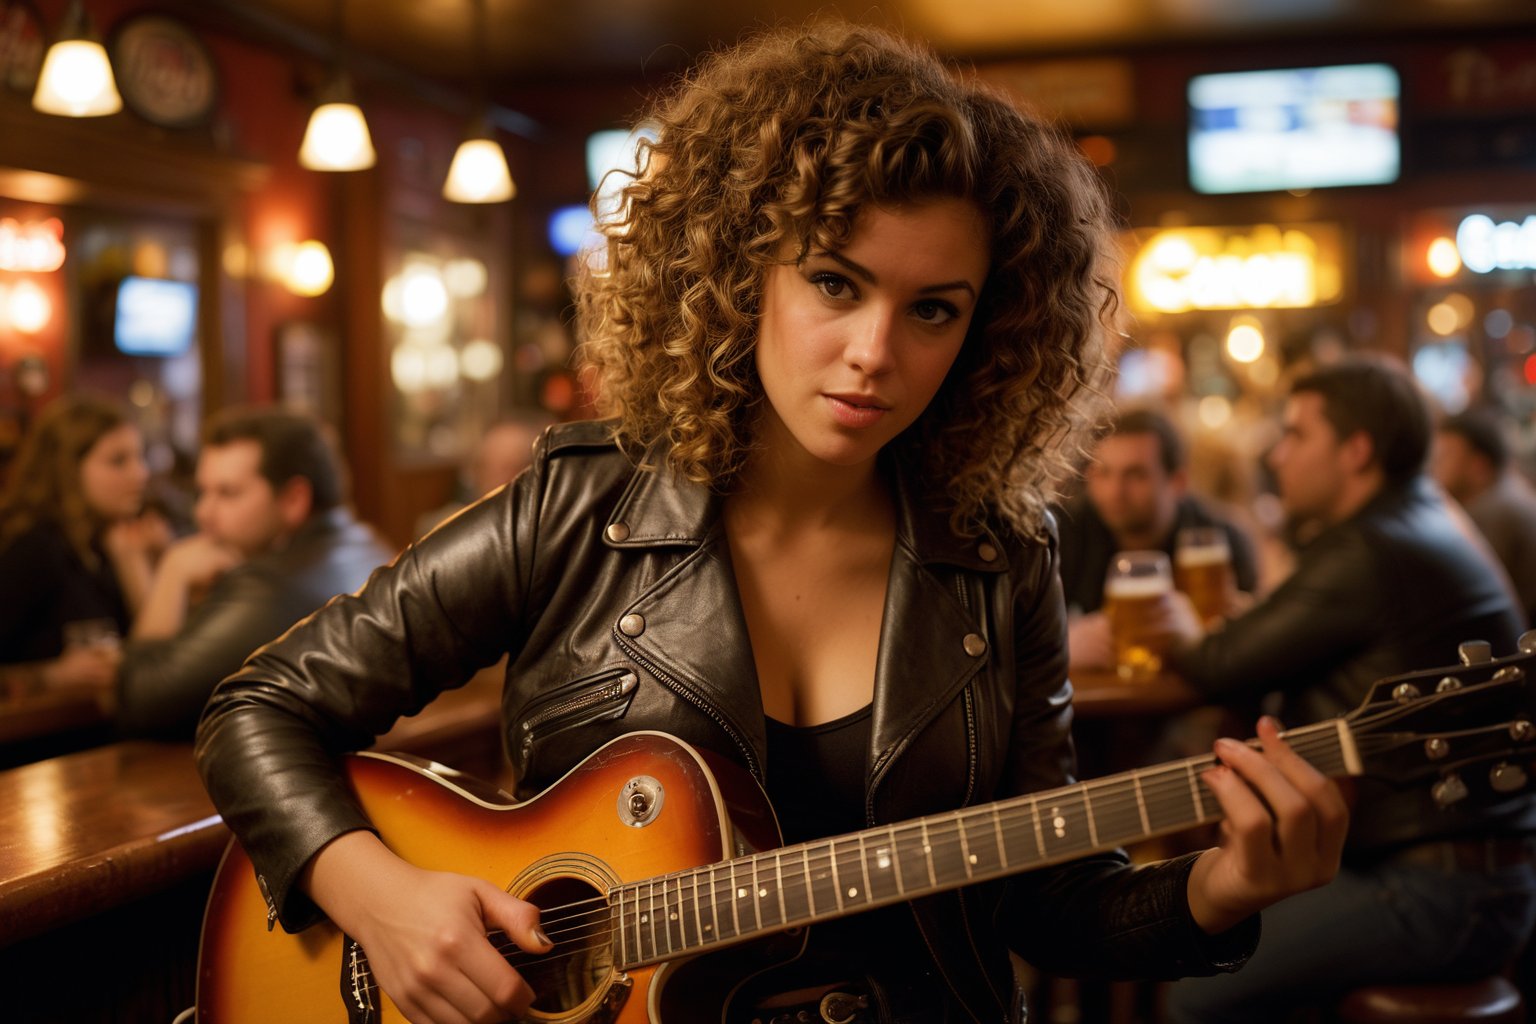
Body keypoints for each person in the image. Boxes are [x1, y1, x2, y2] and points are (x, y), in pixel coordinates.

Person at [196, 23, 1348, 1024]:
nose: (875, 354)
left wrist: (1222, 890)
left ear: (987, 335)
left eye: (933, 310)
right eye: (837, 283)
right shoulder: (581, 507)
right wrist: (380, 896)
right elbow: (259, 711)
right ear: (744, 273)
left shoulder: (1002, 561)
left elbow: (1045, 898)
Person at [1160, 357, 1536, 1022]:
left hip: (1436, 891)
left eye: (1297, 435)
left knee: (1191, 988)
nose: (1277, 455)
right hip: (1479, 875)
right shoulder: (1421, 515)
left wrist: (1180, 620)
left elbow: (1218, 663)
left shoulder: (1369, 548)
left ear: (1356, 451)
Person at [112, 407, 394, 737]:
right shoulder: (366, 544)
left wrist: (171, 571)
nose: (203, 512)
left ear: (293, 499)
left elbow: (138, 702)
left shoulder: (267, 585)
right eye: (202, 492)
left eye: (228, 493)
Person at [1057, 407, 1258, 672]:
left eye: (1136, 475)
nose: (1115, 491)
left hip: (1192, 702)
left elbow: (1250, 646)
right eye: (1103, 474)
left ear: (1178, 482)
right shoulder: (1066, 532)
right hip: (1100, 706)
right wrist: (1061, 645)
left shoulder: (1222, 540)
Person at [0, 395, 163, 695]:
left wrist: (141, 565)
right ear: (68, 469)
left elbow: (157, 668)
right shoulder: (32, 548)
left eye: (140, 457)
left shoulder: (109, 544)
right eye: (118, 461)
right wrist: (47, 676)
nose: (141, 473)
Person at [1433, 407, 1536, 628]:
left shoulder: (1494, 514)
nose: (1435, 466)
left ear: (1478, 465)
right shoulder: (1508, 491)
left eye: (1446, 456)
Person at [413, 411, 553, 537]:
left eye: (516, 466)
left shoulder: (548, 528)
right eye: (496, 468)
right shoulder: (446, 530)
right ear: (477, 472)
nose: (506, 480)